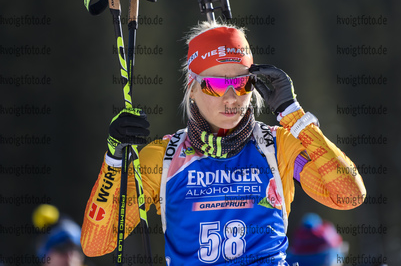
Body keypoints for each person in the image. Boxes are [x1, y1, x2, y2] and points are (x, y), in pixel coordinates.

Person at [80, 21, 367, 265]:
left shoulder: (277, 145)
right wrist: (114, 159)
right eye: (215, 85)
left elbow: (348, 195)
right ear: (192, 88)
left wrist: (294, 114)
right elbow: (96, 244)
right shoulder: (163, 157)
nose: (231, 98)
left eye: (241, 84)